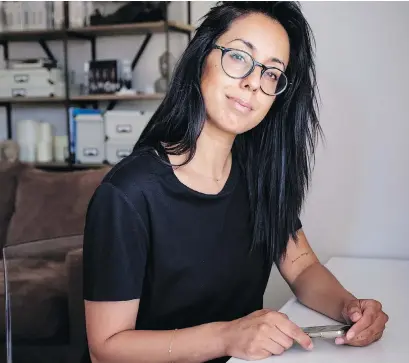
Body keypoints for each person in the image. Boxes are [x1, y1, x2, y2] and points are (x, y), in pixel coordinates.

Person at [81, 2, 388, 363]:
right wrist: (226, 337)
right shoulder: (127, 194)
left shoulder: (259, 176)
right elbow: (105, 348)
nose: (253, 83)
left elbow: (303, 268)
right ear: (201, 58)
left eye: (272, 73)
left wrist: (350, 308)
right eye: (240, 57)